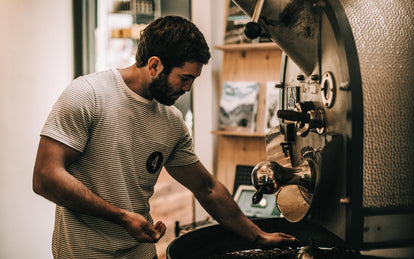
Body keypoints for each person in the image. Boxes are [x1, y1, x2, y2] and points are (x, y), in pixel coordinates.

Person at [33, 16, 298, 259]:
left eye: (192, 80)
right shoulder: (87, 95)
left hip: (142, 253)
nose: (187, 88)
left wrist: (258, 236)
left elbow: (207, 188)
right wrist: (122, 218)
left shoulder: (171, 122)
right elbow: (45, 177)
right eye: (184, 78)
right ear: (154, 64)